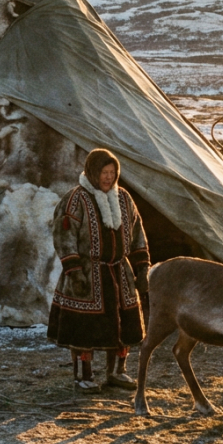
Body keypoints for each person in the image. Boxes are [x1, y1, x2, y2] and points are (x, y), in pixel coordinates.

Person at [48, 148, 150, 392]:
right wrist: (73, 269)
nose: (108, 177)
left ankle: (117, 372)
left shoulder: (124, 199)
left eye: (112, 172)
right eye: (104, 172)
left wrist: (142, 268)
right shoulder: (76, 199)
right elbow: (64, 234)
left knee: (123, 324)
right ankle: (83, 376)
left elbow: (137, 234)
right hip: (86, 274)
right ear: (93, 172)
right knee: (85, 329)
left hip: (119, 271)